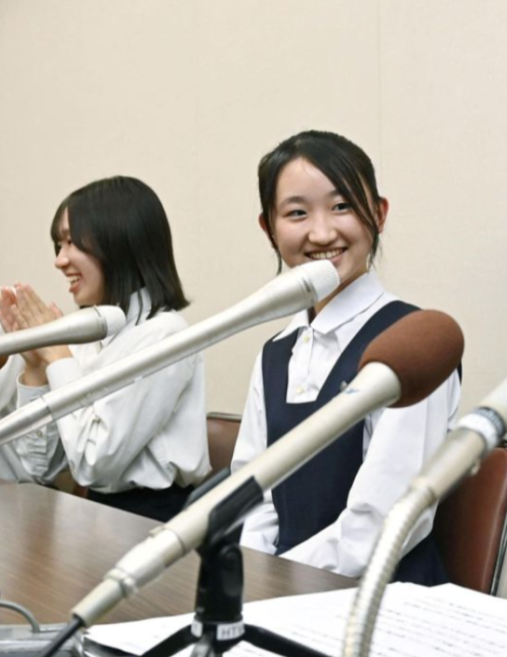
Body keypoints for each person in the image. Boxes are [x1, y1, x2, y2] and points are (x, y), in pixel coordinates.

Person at [234, 130, 460, 583]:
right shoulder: (277, 353)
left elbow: (380, 524)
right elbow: (251, 497)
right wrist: (250, 580)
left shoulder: (412, 346)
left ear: (378, 213)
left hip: (381, 605)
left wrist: (276, 585)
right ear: (269, 228)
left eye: (342, 207)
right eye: (297, 213)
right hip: (281, 601)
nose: (322, 232)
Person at [0, 176, 210, 521]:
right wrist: (36, 368)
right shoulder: (88, 335)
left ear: (119, 242)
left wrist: (57, 355)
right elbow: (39, 468)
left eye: (71, 243)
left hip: (155, 519)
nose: (59, 260)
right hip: (92, 516)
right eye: (58, 245)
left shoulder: (165, 335)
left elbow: (94, 464)